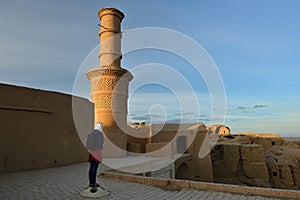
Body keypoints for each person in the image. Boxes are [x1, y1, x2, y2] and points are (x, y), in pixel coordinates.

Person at [86, 122, 104, 188]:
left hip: (91, 152)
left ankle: (91, 182)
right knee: (95, 168)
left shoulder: (91, 134)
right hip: (97, 152)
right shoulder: (99, 134)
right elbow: (100, 144)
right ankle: (94, 183)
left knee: (91, 168)